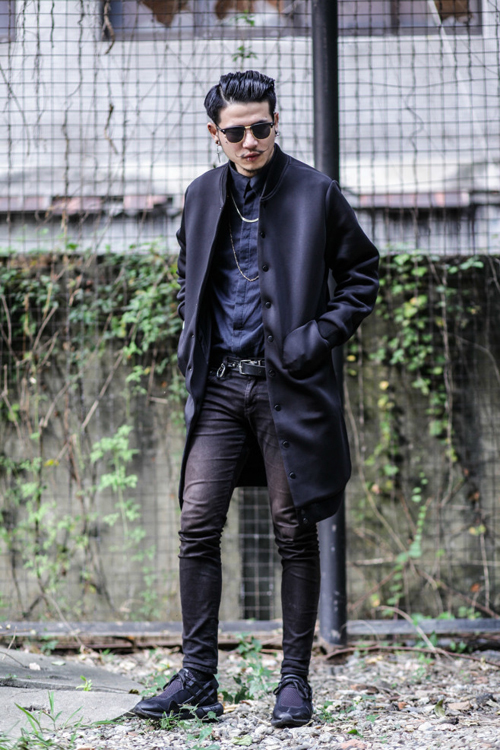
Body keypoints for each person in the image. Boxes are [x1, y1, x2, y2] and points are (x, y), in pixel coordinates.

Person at [133, 70, 379, 727]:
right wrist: (191, 333)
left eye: (261, 128)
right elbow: (188, 275)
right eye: (236, 131)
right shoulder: (200, 195)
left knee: (293, 528)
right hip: (218, 386)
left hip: (287, 387)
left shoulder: (315, 193)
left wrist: (312, 340)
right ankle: (198, 680)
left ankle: (294, 681)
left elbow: (362, 275)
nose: (250, 142)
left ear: (276, 124)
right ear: (214, 134)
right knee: (196, 524)